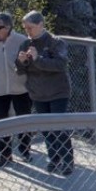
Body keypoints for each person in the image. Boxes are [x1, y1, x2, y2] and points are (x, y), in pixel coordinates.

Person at [15, 10, 74, 176]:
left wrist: (37, 59)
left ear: (41, 25)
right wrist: (21, 63)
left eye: (30, 27)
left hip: (58, 92)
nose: (27, 31)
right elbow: (20, 71)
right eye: (25, 28)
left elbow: (60, 65)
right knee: (46, 129)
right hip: (37, 93)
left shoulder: (56, 42)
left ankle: (67, 160)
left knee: (59, 128)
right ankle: (54, 159)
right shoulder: (25, 44)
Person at [0, 12, 33, 167]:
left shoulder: (22, 41)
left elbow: (31, 65)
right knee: (1, 123)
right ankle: (5, 155)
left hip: (20, 89)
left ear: (7, 27)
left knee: (23, 121)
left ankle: (25, 150)